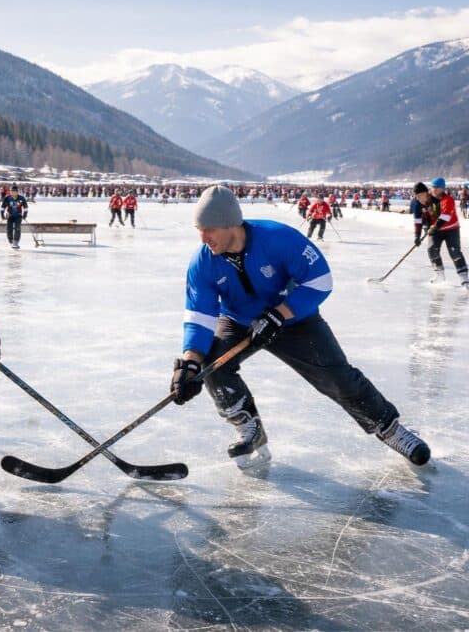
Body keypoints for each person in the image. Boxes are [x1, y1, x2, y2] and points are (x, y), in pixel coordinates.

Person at [169, 186, 430, 469]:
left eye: (209, 229)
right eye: (199, 230)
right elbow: (199, 316)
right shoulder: (202, 262)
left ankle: (389, 428)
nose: (203, 238)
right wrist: (189, 363)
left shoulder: (278, 238)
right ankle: (247, 427)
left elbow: (320, 280)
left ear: (231, 223)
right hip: (239, 321)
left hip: (294, 318)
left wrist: (280, 314)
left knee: (337, 377)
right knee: (212, 366)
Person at [413, 179, 469, 287]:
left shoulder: (447, 200)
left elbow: (445, 216)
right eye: (432, 187)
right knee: (432, 249)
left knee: (454, 251)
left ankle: (463, 276)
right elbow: (418, 220)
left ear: (442, 189)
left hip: (451, 229)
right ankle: (439, 274)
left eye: (437, 188)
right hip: (435, 230)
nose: (434, 190)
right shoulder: (419, 202)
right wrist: (417, 235)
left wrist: (434, 227)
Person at [0, 185, 28, 249]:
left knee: (17, 228)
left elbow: (25, 207)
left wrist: (25, 214)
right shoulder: (7, 198)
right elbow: (3, 207)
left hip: (18, 215)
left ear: (17, 192)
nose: (13, 193)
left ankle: (16, 242)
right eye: (11, 191)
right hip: (9, 215)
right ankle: (11, 241)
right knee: (9, 228)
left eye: (14, 191)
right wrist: (2, 215)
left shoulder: (21, 198)